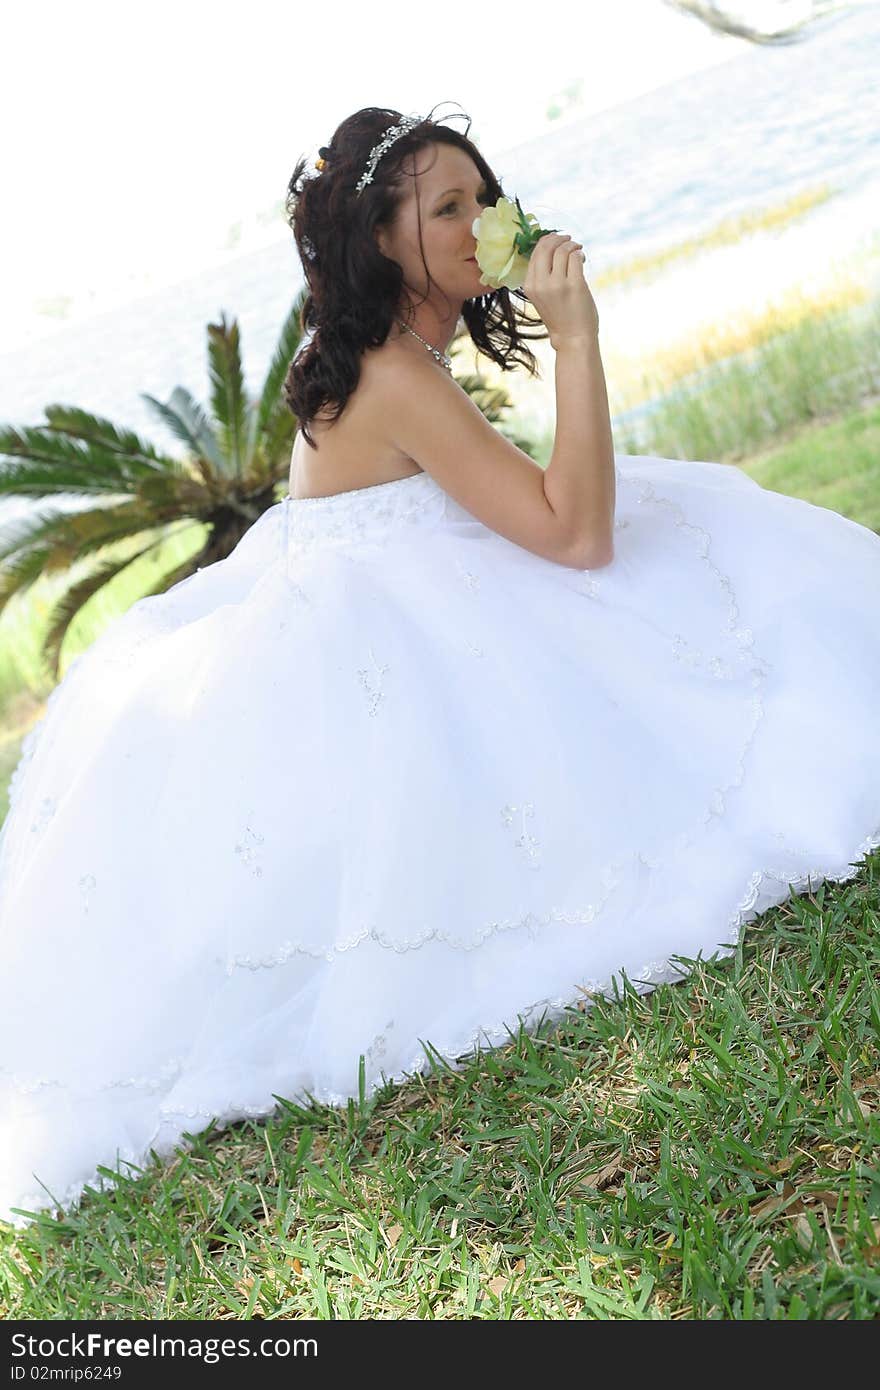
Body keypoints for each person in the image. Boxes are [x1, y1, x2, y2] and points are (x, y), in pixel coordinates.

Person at [1, 105, 878, 1230]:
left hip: (403, 587)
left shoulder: (388, 353)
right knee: (674, 575)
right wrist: (575, 338)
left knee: (699, 537)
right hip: (379, 646)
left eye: (482, 198)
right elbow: (575, 534)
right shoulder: (389, 372)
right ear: (378, 238)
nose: (481, 225)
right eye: (446, 208)